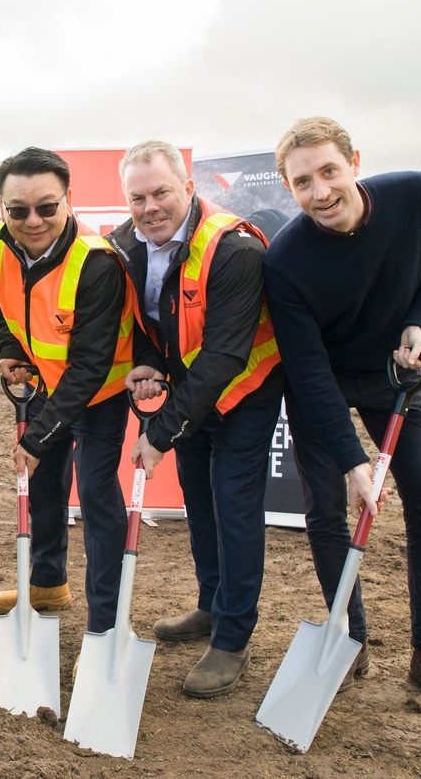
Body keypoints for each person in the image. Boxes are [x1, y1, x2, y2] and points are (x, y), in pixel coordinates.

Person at [264, 116, 421, 723]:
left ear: (354, 161)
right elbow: (306, 373)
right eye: (303, 182)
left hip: (395, 372)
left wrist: (420, 321)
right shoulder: (285, 262)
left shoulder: (416, 195)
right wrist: (356, 463)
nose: (321, 192)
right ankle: (348, 640)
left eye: (329, 172)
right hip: (323, 382)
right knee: (326, 508)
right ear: (290, 188)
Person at [106, 141, 284, 698]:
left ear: (188, 188)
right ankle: (211, 606)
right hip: (191, 393)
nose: (150, 207)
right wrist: (147, 362)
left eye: (161, 192)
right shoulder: (124, 244)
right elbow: (151, 323)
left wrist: (159, 433)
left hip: (243, 392)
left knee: (233, 507)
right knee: (200, 504)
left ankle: (233, 638)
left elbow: (224, 356)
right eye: (137, 197)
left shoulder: (234, 250)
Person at [0, 147, 136, 641]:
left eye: (47, 206)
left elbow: (89, 368)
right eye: (18, 209)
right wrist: (8, 348)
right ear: (2, 207)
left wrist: (38, 437)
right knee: (42, 486)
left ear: (69, 199)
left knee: (95, 495)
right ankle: (46, 584)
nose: (33, 220)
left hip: (98, 394)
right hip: (43, 383)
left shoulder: (98, 262)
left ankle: (104, 626)